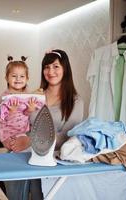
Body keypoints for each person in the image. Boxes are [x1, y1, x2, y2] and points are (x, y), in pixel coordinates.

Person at [7, 49, 84, 199]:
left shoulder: (75, 101)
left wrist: (31, 140)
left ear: (65, 69)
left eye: (56, 66)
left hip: (53, 158)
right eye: (46, 67)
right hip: (26, 152)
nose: (50, 71)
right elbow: (21, 122)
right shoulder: (34, 96)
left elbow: (70, 136)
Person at [0, 55, 41, 152]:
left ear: (27, 79)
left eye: (22, 76)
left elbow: (25, 114)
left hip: (22, 131)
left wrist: (30, 110)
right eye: (14, 76)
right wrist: (11, 112)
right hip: (7, 132)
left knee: (24, 150)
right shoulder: (5, 96)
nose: (18, 79)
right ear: (7, 78)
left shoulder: (27, 95)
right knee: (12, 148)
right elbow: (2, 118)